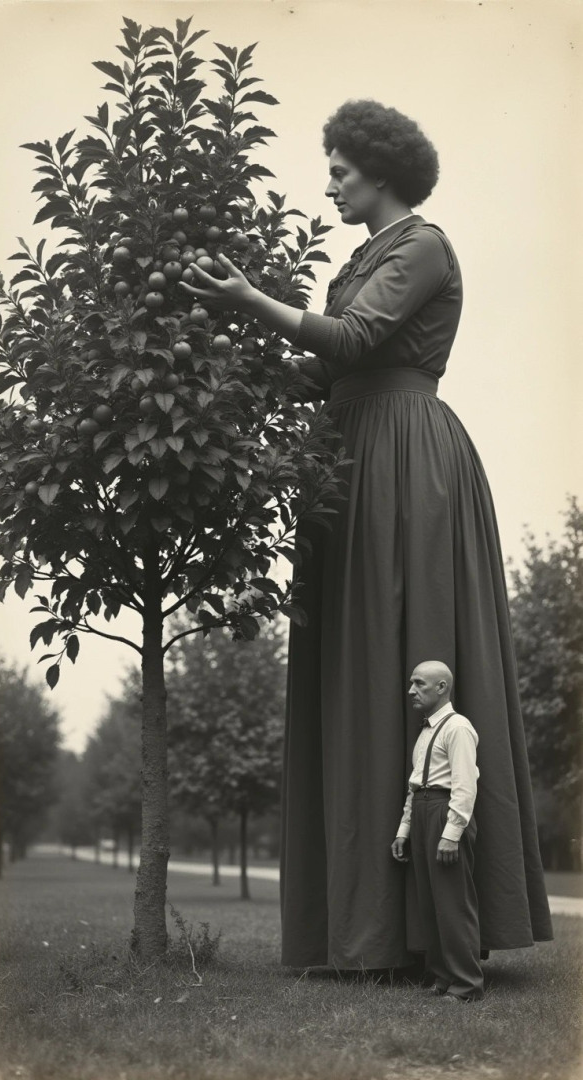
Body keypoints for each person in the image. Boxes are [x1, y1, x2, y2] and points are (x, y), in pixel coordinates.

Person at [180, 98, 553, 970]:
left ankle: (429, 932)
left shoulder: (422, 245)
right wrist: (227, 347)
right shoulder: (360, 258)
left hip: (405, 461)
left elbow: (354, 338)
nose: (332, 184)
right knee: (350, 668)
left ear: (381, 171)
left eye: (341, 170)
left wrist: (248, 297)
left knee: (407, 660)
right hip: (346, 462)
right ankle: (364, 931)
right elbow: (325, 369)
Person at [392, 661, 484, 1002]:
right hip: (424, 811)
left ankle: (466, 985)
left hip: (446, 813)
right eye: (411, 682)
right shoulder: (427, 730)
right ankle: (443, 977)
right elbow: (416, 786)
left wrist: (452, 833)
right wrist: (405, 828)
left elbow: (465, 785)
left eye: (419, 684)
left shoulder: (458, 727)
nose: (411, 690)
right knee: (430, 903)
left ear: (441, 687)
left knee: (453, 902)